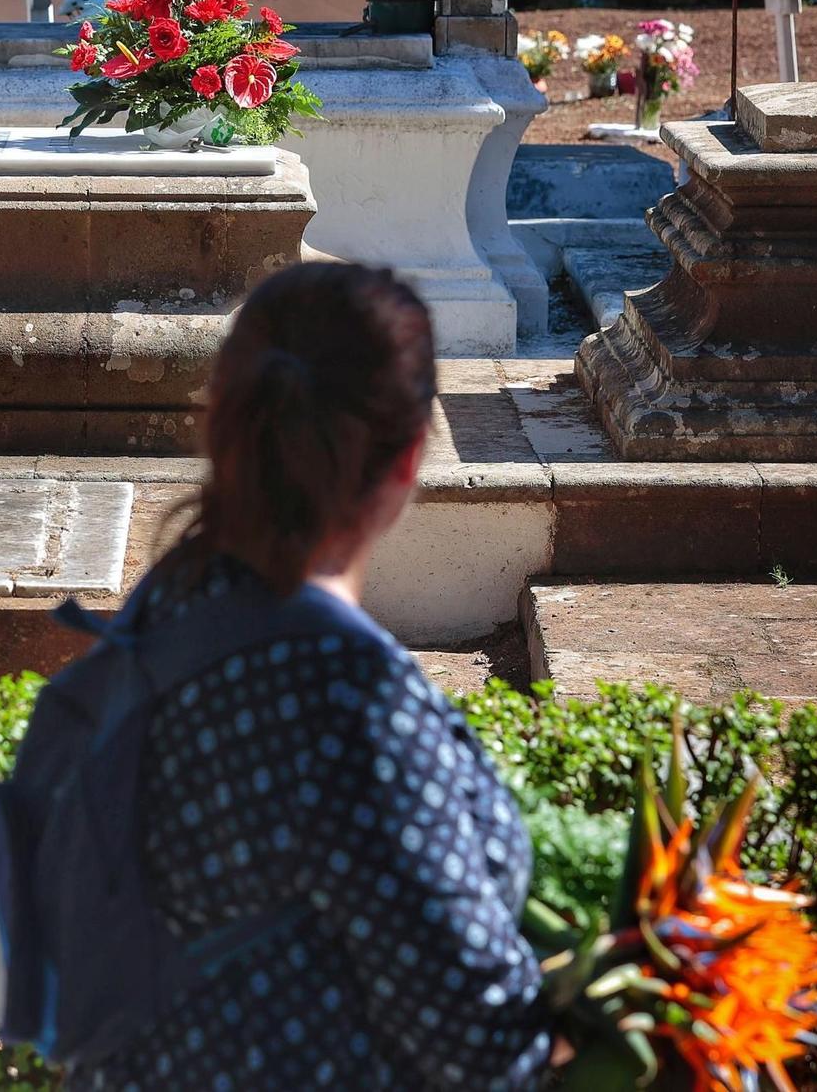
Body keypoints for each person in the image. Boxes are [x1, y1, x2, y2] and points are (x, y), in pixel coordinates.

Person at [70, 262, 552, 1089]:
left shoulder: (163, 608)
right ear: (406, 463)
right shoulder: (347, 704)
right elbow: (477, 1032)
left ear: (224, 423)